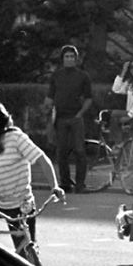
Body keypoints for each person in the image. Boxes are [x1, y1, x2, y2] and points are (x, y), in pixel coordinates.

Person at [0, 102, 64, 250]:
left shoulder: (16, 137)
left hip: (21, 206)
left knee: (26, 249)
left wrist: (54, 186)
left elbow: (42, 159)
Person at [43, 45, 92, 194]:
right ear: (62, 59)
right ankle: (65, 184)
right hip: (60, 119)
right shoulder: (56, 76)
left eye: (72, 57)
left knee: (80, 152)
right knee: (61, 152)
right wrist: (47, 109)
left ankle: (80, 185)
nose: (69, 59)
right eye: (67, 56)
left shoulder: (83, 76)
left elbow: (89, 98)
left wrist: (80, 114)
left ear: (76, 59)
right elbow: (50, 97)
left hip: (76, 118)